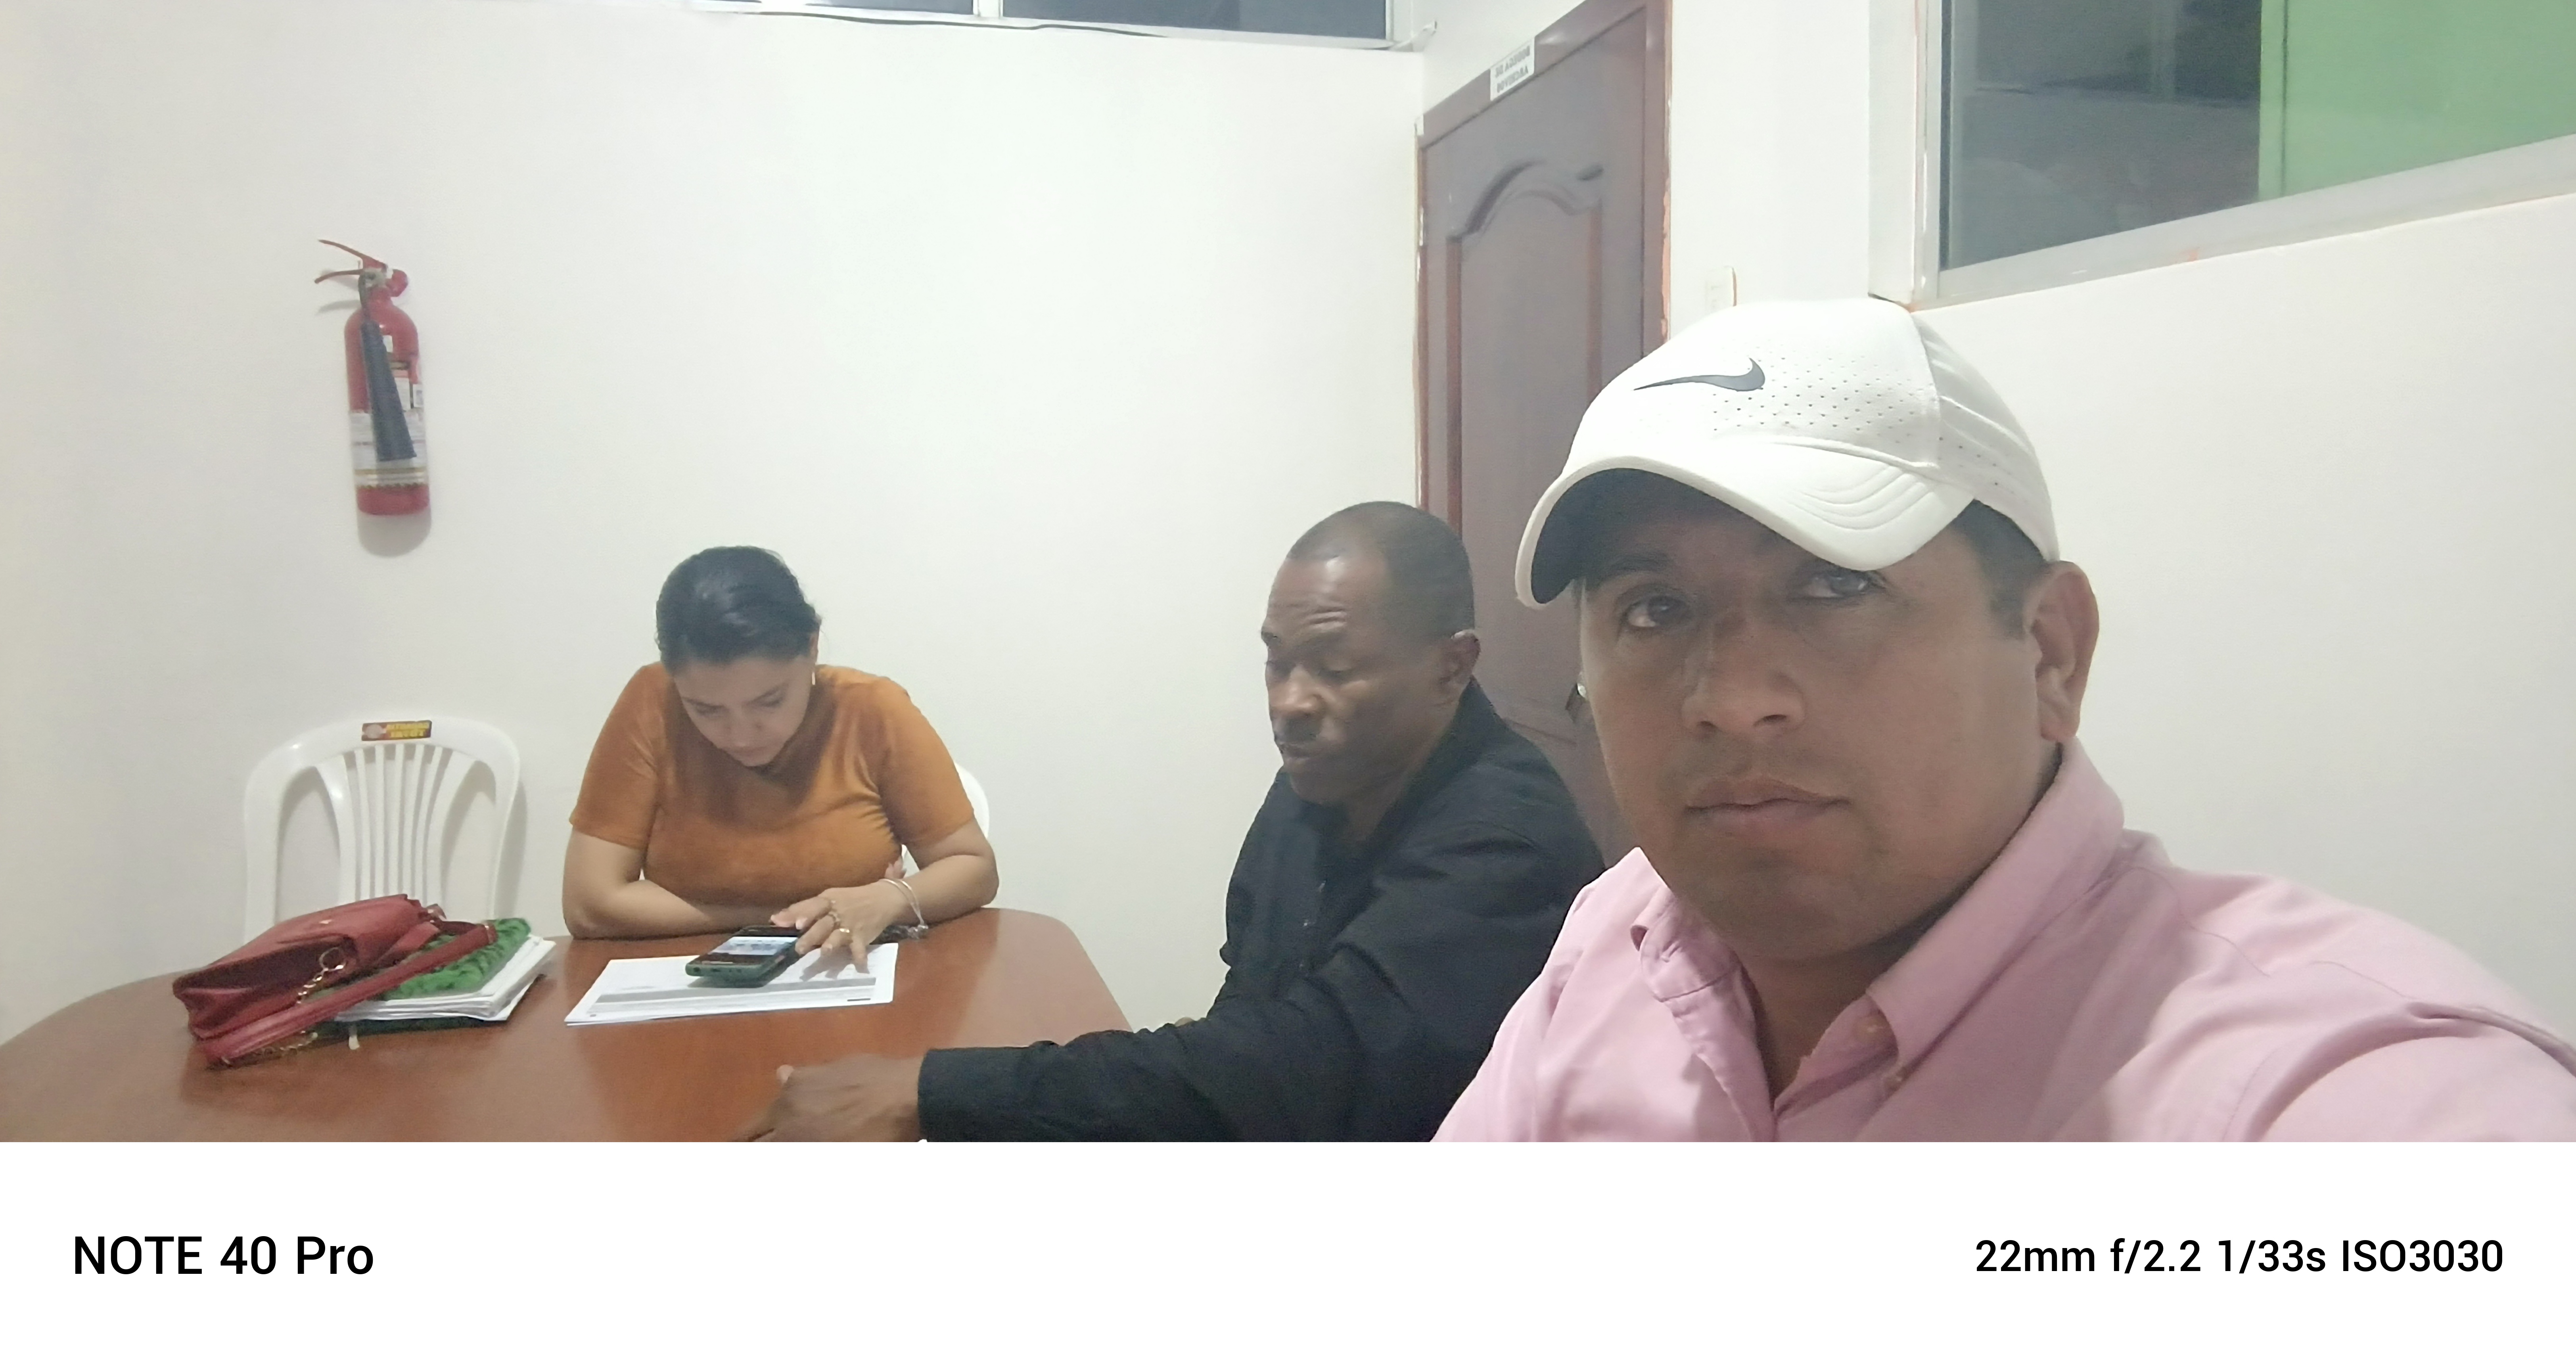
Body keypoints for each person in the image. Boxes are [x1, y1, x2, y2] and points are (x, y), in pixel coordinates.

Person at [1437, 298, 2576, 1141]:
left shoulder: (2329, 1089)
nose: (1732, 699)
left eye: (1835, 586)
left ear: (2050, 653)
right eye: (1654, 608)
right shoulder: (1621, 941)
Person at [739, 502, 1602, 1140]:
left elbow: (1301, 1072)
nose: (1291, 702)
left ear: (1451, 667)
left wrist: (928, 1090)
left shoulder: (1504, 843)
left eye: (1334, 667)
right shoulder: (1322, 780)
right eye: (1277, 662)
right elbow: (1246, 1024)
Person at [563, 546, 997, 953]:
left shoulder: (872, 710)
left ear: (812, 647)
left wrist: (891, 898)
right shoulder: (652, 703)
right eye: (706, 710)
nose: (740, 735)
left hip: (846, 967)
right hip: (694, 972)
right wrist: (790, 916)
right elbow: (589, 904)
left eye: (769, 702)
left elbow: (973, 867)